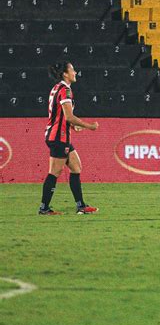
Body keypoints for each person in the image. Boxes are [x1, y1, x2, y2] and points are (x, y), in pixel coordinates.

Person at [40, 62, 99, 215]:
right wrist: (89, 126)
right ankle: (44, 208)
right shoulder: (65, 90)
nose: (75, 72)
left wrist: (73, 126)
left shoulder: (56, 88)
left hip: (58, 135)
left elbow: (60, 115)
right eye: (72, 69)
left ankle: (81, 206)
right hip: (59, 137)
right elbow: (69, 116)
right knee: (54, 172)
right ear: (65, 74)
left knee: (76, 167)